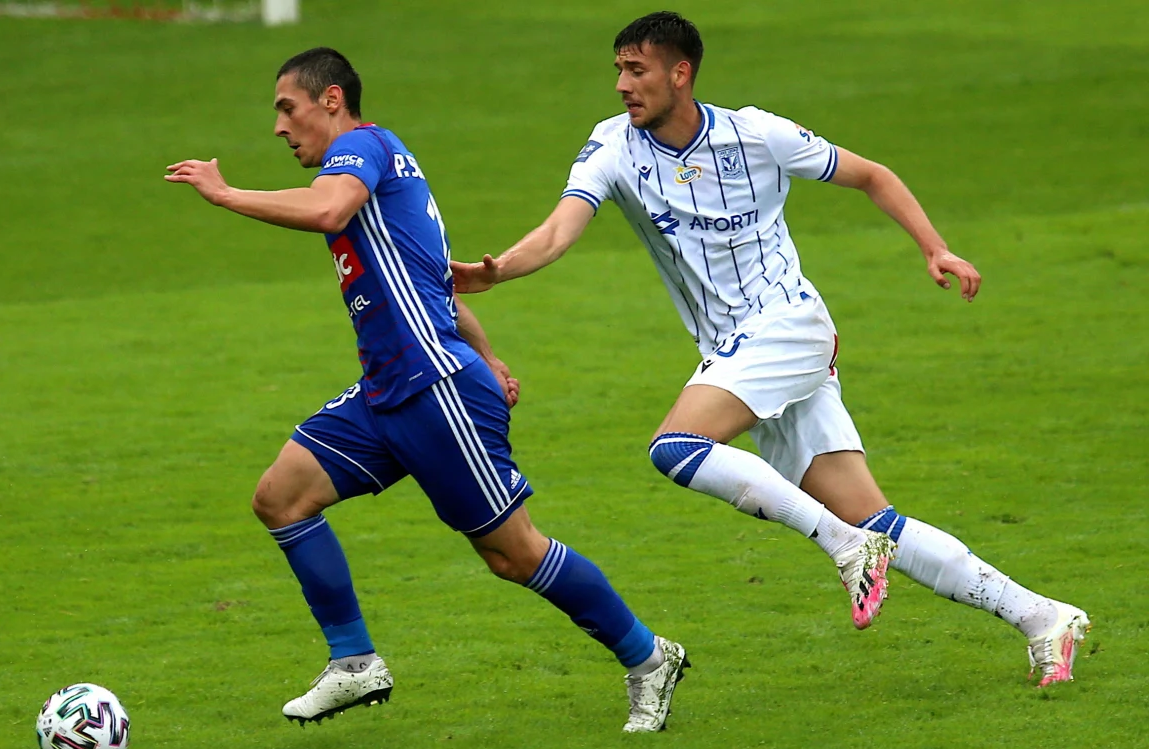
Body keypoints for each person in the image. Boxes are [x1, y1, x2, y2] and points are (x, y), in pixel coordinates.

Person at [450, 12, 1089, 686]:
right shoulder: (613, 147)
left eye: (635, 70)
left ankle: (845, 548)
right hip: (740, 353)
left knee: (676, 447)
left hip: (789, 326)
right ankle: (1043, 616)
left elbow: (872, 174)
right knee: (877, 518)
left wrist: (935, 247)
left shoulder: (756, 134)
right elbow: (557, 232)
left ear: (680, 73)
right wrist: (499, 272)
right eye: (617, 69)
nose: (621, 84)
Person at [165, 46, 687, 732]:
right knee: (281, 496)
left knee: (513, 552)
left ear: (330, 101)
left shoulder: (362, 150)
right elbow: (433, 282)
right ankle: (353, 662)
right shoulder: (376, 179)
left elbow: (329, 210)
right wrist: (492, 355)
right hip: (388, 390)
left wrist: (226, 193)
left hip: (436, 389)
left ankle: (648, 656)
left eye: (286, 108)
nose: (278, 127)